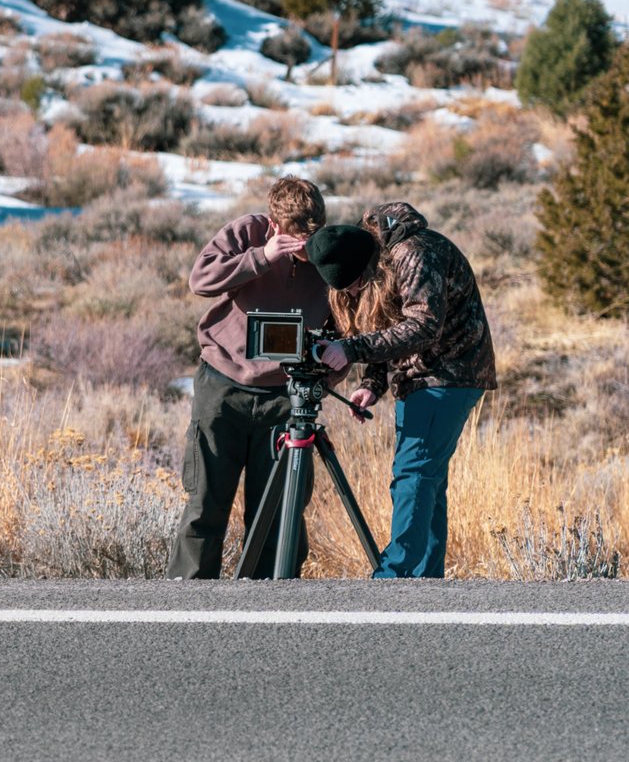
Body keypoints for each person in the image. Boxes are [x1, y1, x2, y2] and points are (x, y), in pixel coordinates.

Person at [311, 202, 498, 579]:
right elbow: (387, 322)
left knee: (413, 474)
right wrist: (372, 383)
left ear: (366, 269)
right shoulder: (378, 258)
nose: (354, 294)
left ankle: (394, 577)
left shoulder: (414, 255)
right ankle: (425, 582)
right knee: (427, 482)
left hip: (448, 373)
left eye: (355, 287)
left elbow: (422, 327)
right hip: (421, 377)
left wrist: (351, 350)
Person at [169, 176, 330, 579]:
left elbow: (349, 323)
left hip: (286, 396)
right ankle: (186, 603)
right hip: (223, 386)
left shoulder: (326, 252)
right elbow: (200, 280)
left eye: (311, 240)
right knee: (205, 504)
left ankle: (269, 605)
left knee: (277, 514)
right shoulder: (247, 233)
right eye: (295, 240)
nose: (304, 249)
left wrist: (328, 376)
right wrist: (263, 256)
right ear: (274, 225)